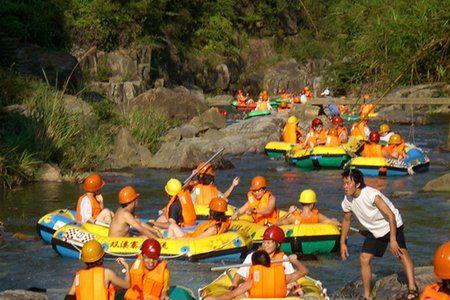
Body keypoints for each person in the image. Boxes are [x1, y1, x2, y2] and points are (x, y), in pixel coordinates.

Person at [340, 169, 417, 300]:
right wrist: (342, 243)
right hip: (375, 230)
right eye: (344, 183)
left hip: (392, 225)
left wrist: (392, 240)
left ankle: (412, 288)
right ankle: (367, 295)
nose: (345, 186)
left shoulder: (371, 195)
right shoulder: (348, 199)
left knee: (401, 254)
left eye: (348, 183)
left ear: (357, 184)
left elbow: (391, 216)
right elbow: (346, 220)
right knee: (364, 258)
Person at [227, 226, 308, 298]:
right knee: (240, 288)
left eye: (269, 242)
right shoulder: (253, 256)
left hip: (276, 290)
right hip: (255, 289)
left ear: (277, 245)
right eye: (264, 242)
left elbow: (291, 278)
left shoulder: (283, 258)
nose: (265, 245)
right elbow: (239, 274)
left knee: (294, 287)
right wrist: (234, 284)